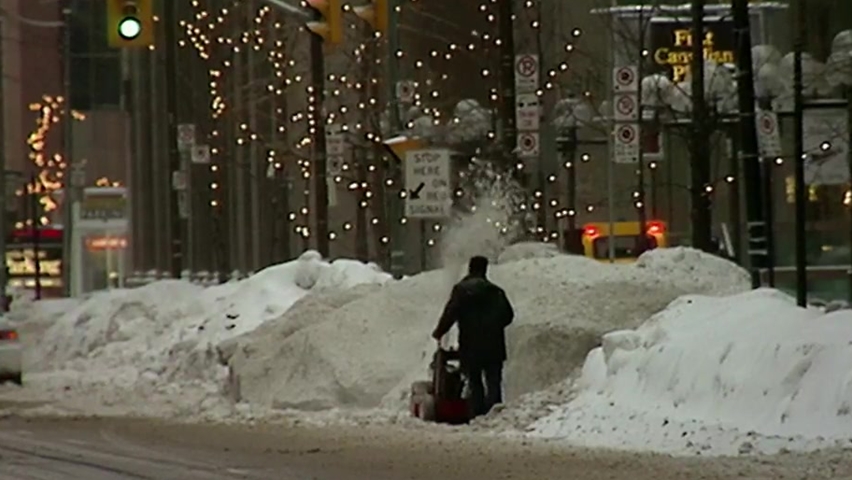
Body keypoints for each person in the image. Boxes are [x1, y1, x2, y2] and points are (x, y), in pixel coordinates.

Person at [431, 255, 514, 418]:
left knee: (474, 380)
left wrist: (439, 331)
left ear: (470, 268)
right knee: (493, 381)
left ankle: (477, 413)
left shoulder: (462, 290)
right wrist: (493, 326)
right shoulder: (495, 291)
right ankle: (495, 414)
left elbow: (450, 313)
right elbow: (508, 315)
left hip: (471, 344)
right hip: (494, 344)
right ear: (485, 269)